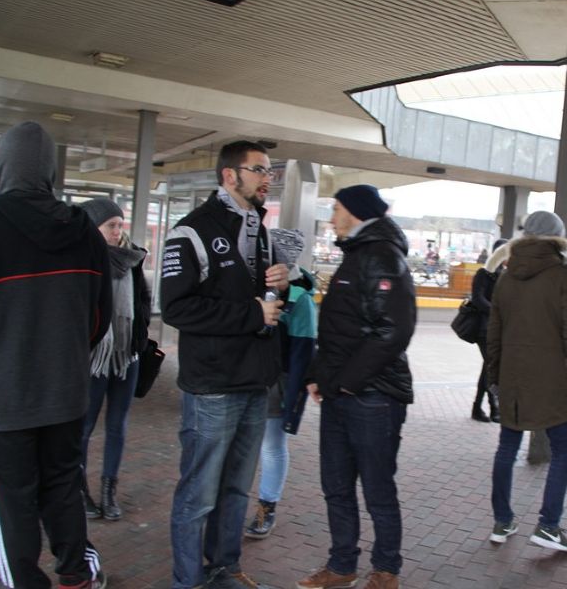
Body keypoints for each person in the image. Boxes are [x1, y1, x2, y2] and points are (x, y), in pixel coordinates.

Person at [0, 121, 112, 589]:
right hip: (65, 394)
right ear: (51, 171)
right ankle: (77, 576)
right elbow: (100, 319)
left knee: (12, 501)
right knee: (62, 487)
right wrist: (65, 357)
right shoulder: (83, 230)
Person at [161, 140, 290, 589]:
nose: (267, 178)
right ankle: (187, 579)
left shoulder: (261, 230)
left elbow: (267, 303)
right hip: (213, 386)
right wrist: (253, 313)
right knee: (198, 495)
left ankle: (224, 568)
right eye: (259, 170)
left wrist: (282, 286)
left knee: (236, 490)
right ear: (229, 175)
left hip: (255, 382)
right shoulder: (191, 230)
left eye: (270, 171)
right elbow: (176, 309)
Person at [298, 184, 416, 589]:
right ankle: (342, 566)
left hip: (374, 397)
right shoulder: (358, 255)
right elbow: (339, 330)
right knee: (336, 486)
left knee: (378, 489)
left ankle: (385, 570)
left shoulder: (382, 256)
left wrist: (345, 383)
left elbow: (393, 332)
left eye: (336, 209)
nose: (331, 218)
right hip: (342, 394)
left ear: (354, 211)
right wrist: (318, 375)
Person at [486, 211, 567, 553]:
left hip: (512, 376)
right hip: (552, 380)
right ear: (558, 238)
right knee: (563, 451)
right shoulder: (563, 275)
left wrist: (494, 377)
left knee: (506, 448)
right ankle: (548, 526)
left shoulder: (507, 275)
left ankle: (502, 521)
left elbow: (494, 334)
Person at [79, 198, 151, 522]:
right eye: (111, 225)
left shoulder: (133, 259)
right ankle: (78, 488)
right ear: (94, 228)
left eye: (120, 225)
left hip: (126, 355)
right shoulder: (84, 260)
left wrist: (138, 336)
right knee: (84, 425)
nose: (118, 231)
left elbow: (144, 301)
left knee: (118, 425)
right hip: (95, 356)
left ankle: (109, 490)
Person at [245, 266, 317, 539]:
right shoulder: (252, 286)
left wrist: (293, 402)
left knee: (271, 446)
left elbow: (303, 352)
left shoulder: (301, 301)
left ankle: (267, 506)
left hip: (276, 383)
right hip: (244, 378)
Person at [469, 238, 508, 423]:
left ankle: (479, 408)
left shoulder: (505, 275)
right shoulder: (483, 273)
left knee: (488, 367)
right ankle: (492, 408)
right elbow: (477, 298)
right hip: (483, 328)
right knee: (491, 366)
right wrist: (497, 311)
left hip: (496, 329)